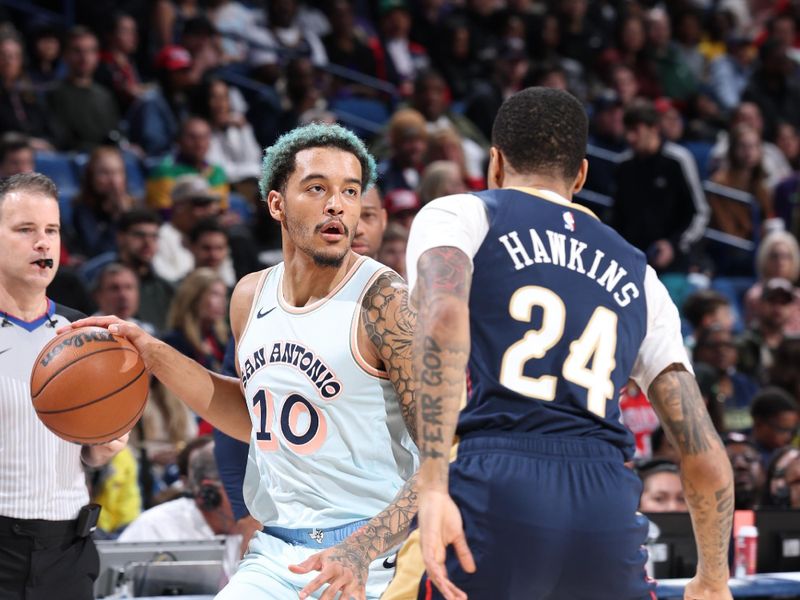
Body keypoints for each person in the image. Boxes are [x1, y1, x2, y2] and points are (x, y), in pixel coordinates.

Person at [391, 87, 733, 600]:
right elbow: (701, 446)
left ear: (495, 163)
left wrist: (435, 484)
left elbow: (443, 318)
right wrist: (712, 578)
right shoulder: (640, 273)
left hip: (498, 477)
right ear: (581, 175)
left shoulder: (460, 214)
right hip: (605, 501)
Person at [66, 123, 419, 599]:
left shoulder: (385, 301)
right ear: (276, 203)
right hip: (275, 553)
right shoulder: (250, 295)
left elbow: (442, 459)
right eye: (317, 188)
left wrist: (361, 550)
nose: (337, 204)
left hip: (371, 559)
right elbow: (253, 417)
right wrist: (152, 353)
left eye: (350, 191)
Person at [0, 172, 127, 599]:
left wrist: (101, 447)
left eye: (51, 230)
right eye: (25, 230)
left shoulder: (85, 335)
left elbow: (90, 453)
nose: (43, 243)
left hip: (68, 550)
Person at [118, 439, 235, 542]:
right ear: (210, 492)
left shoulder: (251, 530)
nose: (252, 498)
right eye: (245, 489)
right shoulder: (155, 528)